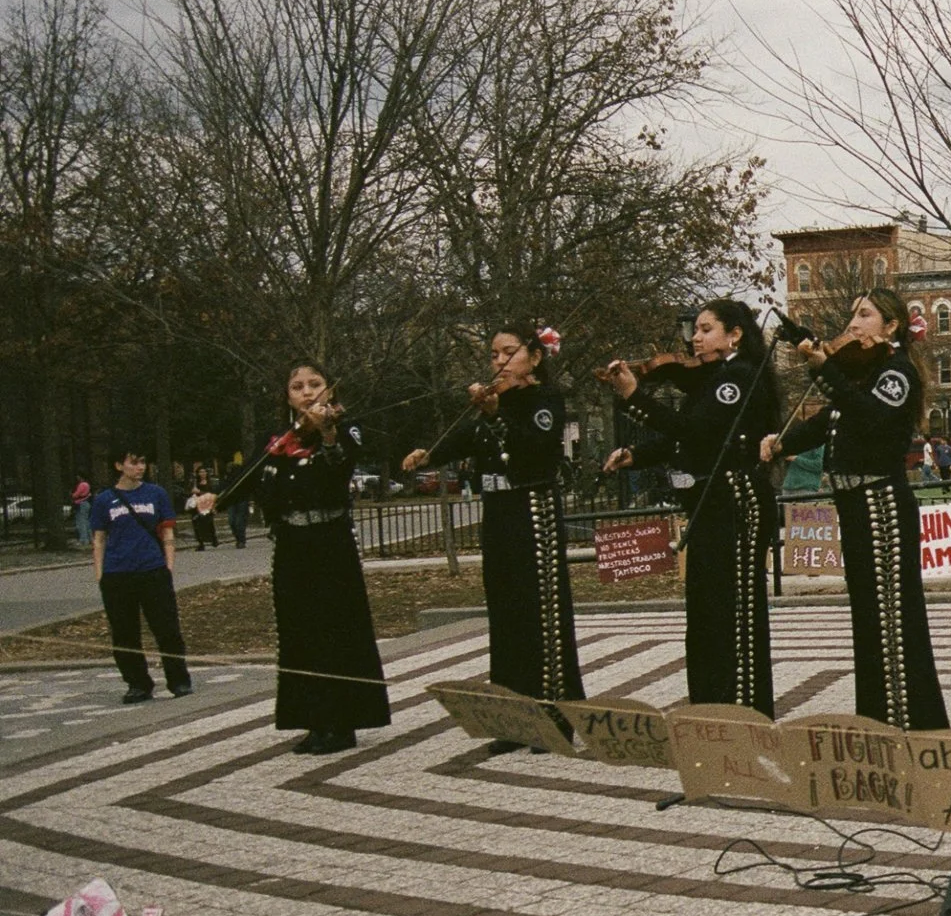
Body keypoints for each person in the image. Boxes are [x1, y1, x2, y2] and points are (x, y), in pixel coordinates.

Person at [765, 289, 950, 729]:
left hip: (880, 502)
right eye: (854, 315)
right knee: (868, 616)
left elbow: (869, 416)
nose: (853, 324)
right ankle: (877, 715)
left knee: (892, 615)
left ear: (891, 326)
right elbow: (831, 419)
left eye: (865, 315)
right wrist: (782, 443)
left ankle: (912, 721)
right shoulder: (863, 373)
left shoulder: (896, 372)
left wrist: (827, 370)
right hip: (853, 502)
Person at [403, 323, 584, 742]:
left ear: (534, 357)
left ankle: (555, 712)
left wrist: (495, 414)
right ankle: (514, 716)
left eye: (508, 352)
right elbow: (466, 437)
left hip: (531, 508)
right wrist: (430, 453)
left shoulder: (544, 399)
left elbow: (534, 445)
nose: (499, 362)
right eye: (494, 354)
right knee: (506, 610)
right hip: (498, 510)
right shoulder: (494, 402)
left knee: (543, 610)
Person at [601, 298, 780, 717]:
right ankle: (710, 709)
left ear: (734, 334)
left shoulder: (737, 377)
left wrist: (634, 396)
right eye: (695, 331)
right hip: (709, 502)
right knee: (705, 613)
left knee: (731, 611)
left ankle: (742, 712)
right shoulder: (712, 379)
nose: (694, 339)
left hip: (734, 502)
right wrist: (638, 455)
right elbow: (683, 440)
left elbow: (696, 431)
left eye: (705, 329)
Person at [201, 363, 391, 753]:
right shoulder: (278, 438)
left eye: (315, 384)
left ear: (330, 390)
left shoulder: (342, 428)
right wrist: (218, 498)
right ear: (287, 396)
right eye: (297, 386)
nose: (307, 393)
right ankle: (313, 717)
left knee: (334, 629)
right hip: (291, 542)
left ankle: (343, 721)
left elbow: (343, 461)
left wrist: (328, 433)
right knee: (299, 630)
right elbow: (250, 474)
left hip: (329, 541)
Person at [90, 448, 191, 704]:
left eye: (143, 462)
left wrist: (167, 567)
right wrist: (100, 574)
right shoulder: (105, 500)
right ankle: (137, 683)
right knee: (125, 634)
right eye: (133, 462)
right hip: (118, 574)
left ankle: (178, 680)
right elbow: (99, 538)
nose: (140, 467)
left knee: (167, 629)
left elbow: (168, 535)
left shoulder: (156, 494)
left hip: (152, 571)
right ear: (119, 465)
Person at [186, 464, 221, 549]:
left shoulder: (210, 483)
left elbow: (212, 494)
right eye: (200, 472)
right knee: (197, 524)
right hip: (197, 506)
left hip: (207, 505)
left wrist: (200, 492)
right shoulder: (195, 483)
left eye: (204, 472)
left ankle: (213, 539)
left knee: (208, 523)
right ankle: (200, 543)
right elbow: (189, 492)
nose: (202, 473)